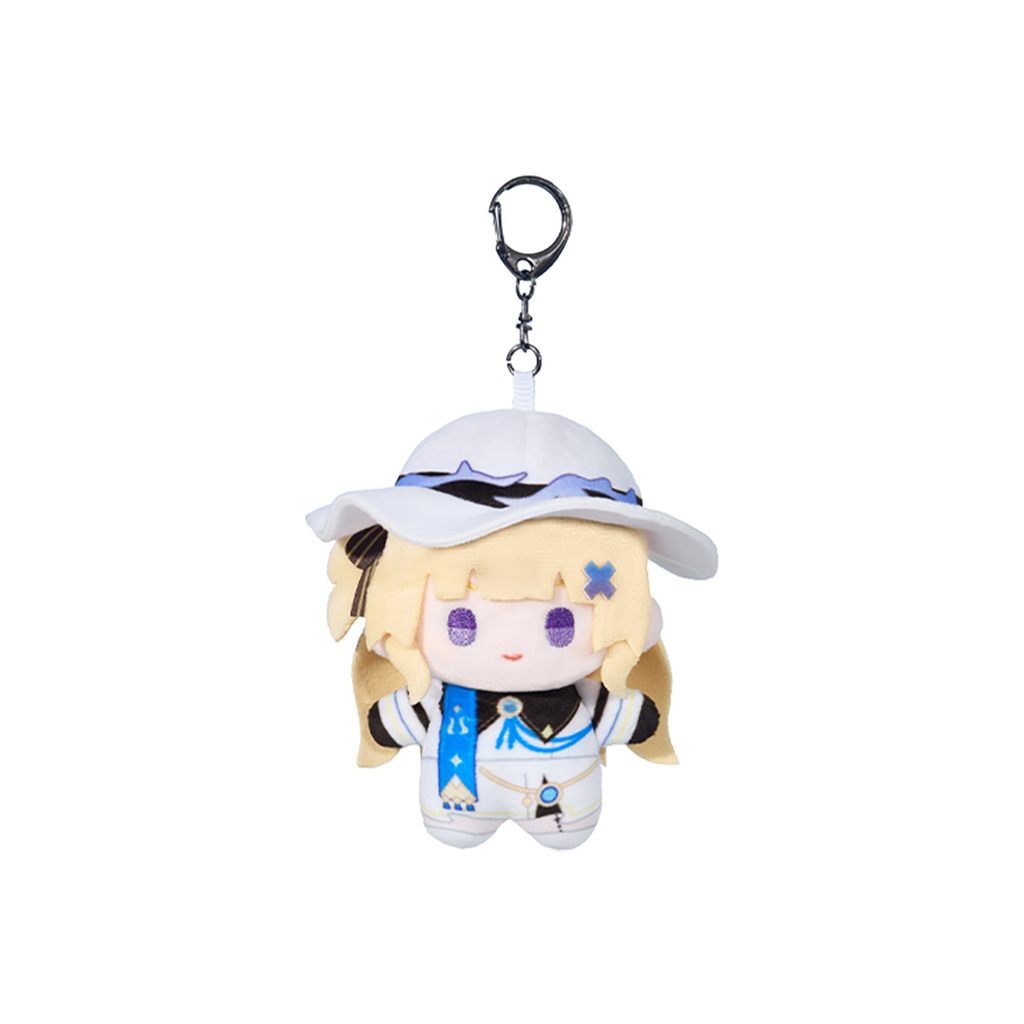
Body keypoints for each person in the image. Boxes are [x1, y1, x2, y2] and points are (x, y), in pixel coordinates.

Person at [307, 408, 717, 848]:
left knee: (561, 833)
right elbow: (392, 720)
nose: (512, 647)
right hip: (458, 804)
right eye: (461, 623)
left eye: (559, 624)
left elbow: (635, 718)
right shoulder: (438, 698)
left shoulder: (568, 697)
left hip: (562, 808)